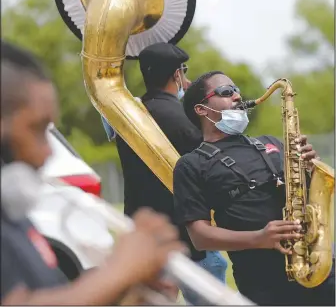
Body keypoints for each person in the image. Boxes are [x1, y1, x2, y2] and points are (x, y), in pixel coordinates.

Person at [0, 40, 186, 305]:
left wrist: (129, 291)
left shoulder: (14, 221)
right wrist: (119, 271)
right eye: (37, 129)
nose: (49, 152)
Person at [173, 70, 335, 306]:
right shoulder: (191, 164)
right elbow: (200, 237)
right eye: (226, 92)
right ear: (201, 109)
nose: (237, 96)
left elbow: (309, 196)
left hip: (320, 266)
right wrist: (259, 238)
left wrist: (310, 167)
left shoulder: (272, 142)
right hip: (265, 285)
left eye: (236, 90)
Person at [101, 43, 228, 304]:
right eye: (185, 72)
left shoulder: (129, 115)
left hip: (145, 239)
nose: (188, 79)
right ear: (176, 75)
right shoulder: (187, 118)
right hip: (191, 241)